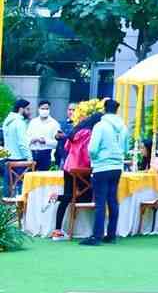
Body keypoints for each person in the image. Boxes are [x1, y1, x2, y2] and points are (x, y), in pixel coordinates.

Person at [80, 98, 129, 246]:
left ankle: (97, 236)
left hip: (102, 166)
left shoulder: (100, 126)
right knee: (113, 200)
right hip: (117, 167)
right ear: (116, 110)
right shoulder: (123, 127)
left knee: (100, 202)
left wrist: (95, 158)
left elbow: (93, 148)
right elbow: (126, 149)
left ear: (104, 109)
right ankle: (111, 234)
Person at [49, 109, 100, 239]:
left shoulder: (75, 131)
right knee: (87, 197)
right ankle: (59, 197)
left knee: (68, 196)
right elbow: (87, 153)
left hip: (68, 166)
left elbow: (66, 147)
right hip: (81, 169)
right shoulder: (89, 134)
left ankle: (57, 230)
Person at [2, 98, 31, 194]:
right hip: (20, 160)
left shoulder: (7, 121)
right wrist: (29, 158)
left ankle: (7, 207)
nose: (29, 112)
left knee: (8, 187)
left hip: (8, 158)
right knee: (20, 188)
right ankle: (18, 208)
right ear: (21, 109)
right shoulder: (19, 122)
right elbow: (22, 143)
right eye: (28, 109)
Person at [27, 100, 61, 172]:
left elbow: (57, 143)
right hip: (32, 153)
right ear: (38, 109)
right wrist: (32, 140)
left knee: (43, 175)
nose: (45, 111)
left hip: (46, 153)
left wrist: (45, 141)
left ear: (49, 110)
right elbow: (26, 138)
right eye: (42, 109)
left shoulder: (54, 124)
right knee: (30, 175)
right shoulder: (33, 122)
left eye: (47, 109)